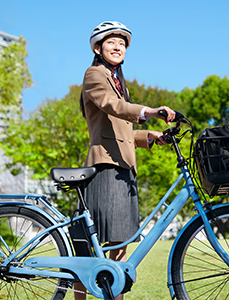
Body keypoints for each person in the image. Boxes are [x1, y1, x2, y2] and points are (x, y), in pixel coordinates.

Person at [76, 21, 176, 300]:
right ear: (98, 47)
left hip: (124, 169)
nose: (118, 46)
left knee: (120, 243)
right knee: (91, 249)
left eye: (122, 43)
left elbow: (122, 132)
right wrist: (149, 111)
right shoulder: (94, 74)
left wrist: (151, 137)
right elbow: (113, 106)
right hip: (106, 167)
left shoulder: (119, 83)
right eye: (111, 42)